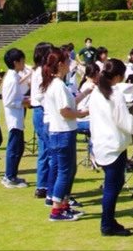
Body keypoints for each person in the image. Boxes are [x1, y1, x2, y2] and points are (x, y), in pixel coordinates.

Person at [88, 58, 133, 236]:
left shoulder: (97, 92)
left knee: (116, 182)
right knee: (112, 186)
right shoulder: (114, 94)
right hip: (112, 145)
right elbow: (124, 122)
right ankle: (106, 225)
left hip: (103, 143)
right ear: (117, 76)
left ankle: (110, 219)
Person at [41, 47, 88, 222]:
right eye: (68, 62)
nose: (70, 65)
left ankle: (64, 205)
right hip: (62, 132)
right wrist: (83, 113)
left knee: (68, 171)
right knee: (64, 172)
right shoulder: (58, 85)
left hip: (61, 131)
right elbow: (66, 111)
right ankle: (56, 211)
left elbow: (69, 104)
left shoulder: (56, 84)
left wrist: (85, 96)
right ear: (60, 65)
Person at [1, 48, 31, 188]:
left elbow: (15, 97)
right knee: (14, 148)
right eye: (22, 61)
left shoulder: (14, 77)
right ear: (15, 62)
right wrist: (24, 102)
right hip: (14, 119)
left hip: (17, 118)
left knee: (18, 147)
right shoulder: (12, 79)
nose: (24, 63)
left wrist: (24, 98)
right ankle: (9, 177)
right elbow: (8, 101)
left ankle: (12, 174)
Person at [30, 42, 53, 201]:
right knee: (49, 150)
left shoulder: (37, 70)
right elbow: (43, 95)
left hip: (38, 111)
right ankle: (49, 187)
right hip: (42, 110)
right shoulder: (41, 71)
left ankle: (42, 185)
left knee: (44, 150)